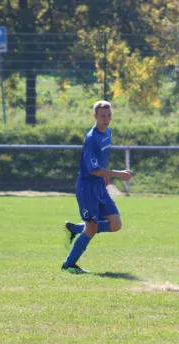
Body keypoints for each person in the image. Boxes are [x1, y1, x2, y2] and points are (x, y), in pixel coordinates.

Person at [62, 100, 132, 274]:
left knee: (116, 224)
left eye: (109, 115)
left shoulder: (107, 132)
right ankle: (69, 264)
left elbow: (101, 162)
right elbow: (93, 169)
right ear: (95, 116)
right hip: (87, 188)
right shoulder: (92, 138)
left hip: (99, 185)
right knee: (92, 229)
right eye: (102, 116)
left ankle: (78, 228)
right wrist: (118, 174)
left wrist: (106, 176)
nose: (106, 119)